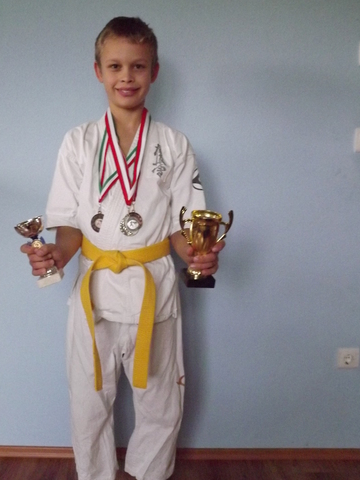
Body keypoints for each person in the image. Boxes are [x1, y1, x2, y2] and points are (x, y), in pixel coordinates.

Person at [20, 16, 225, 480]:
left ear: (154, 71)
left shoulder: (174, 144)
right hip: (94, 295)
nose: (126, 77)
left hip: (155, 290)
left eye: (138, 66)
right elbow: (70, 226)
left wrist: (198, 255)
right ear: (98, 71)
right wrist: (56, 256)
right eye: (115, 66)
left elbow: (182, 227)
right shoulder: (79, 142)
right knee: (88, 403)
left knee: (161, 403)